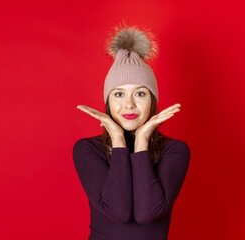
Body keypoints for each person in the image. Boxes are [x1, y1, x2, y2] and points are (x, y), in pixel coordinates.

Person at [72, 22, 190, 240]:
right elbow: (118, 211)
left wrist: (142, 142)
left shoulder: (174, 151)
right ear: (107, 101)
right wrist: (118, 140)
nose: (129, 105)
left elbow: (147, 213)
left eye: (140, 94)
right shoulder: (88, 149)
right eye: (118, 94)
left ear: (152, 100)